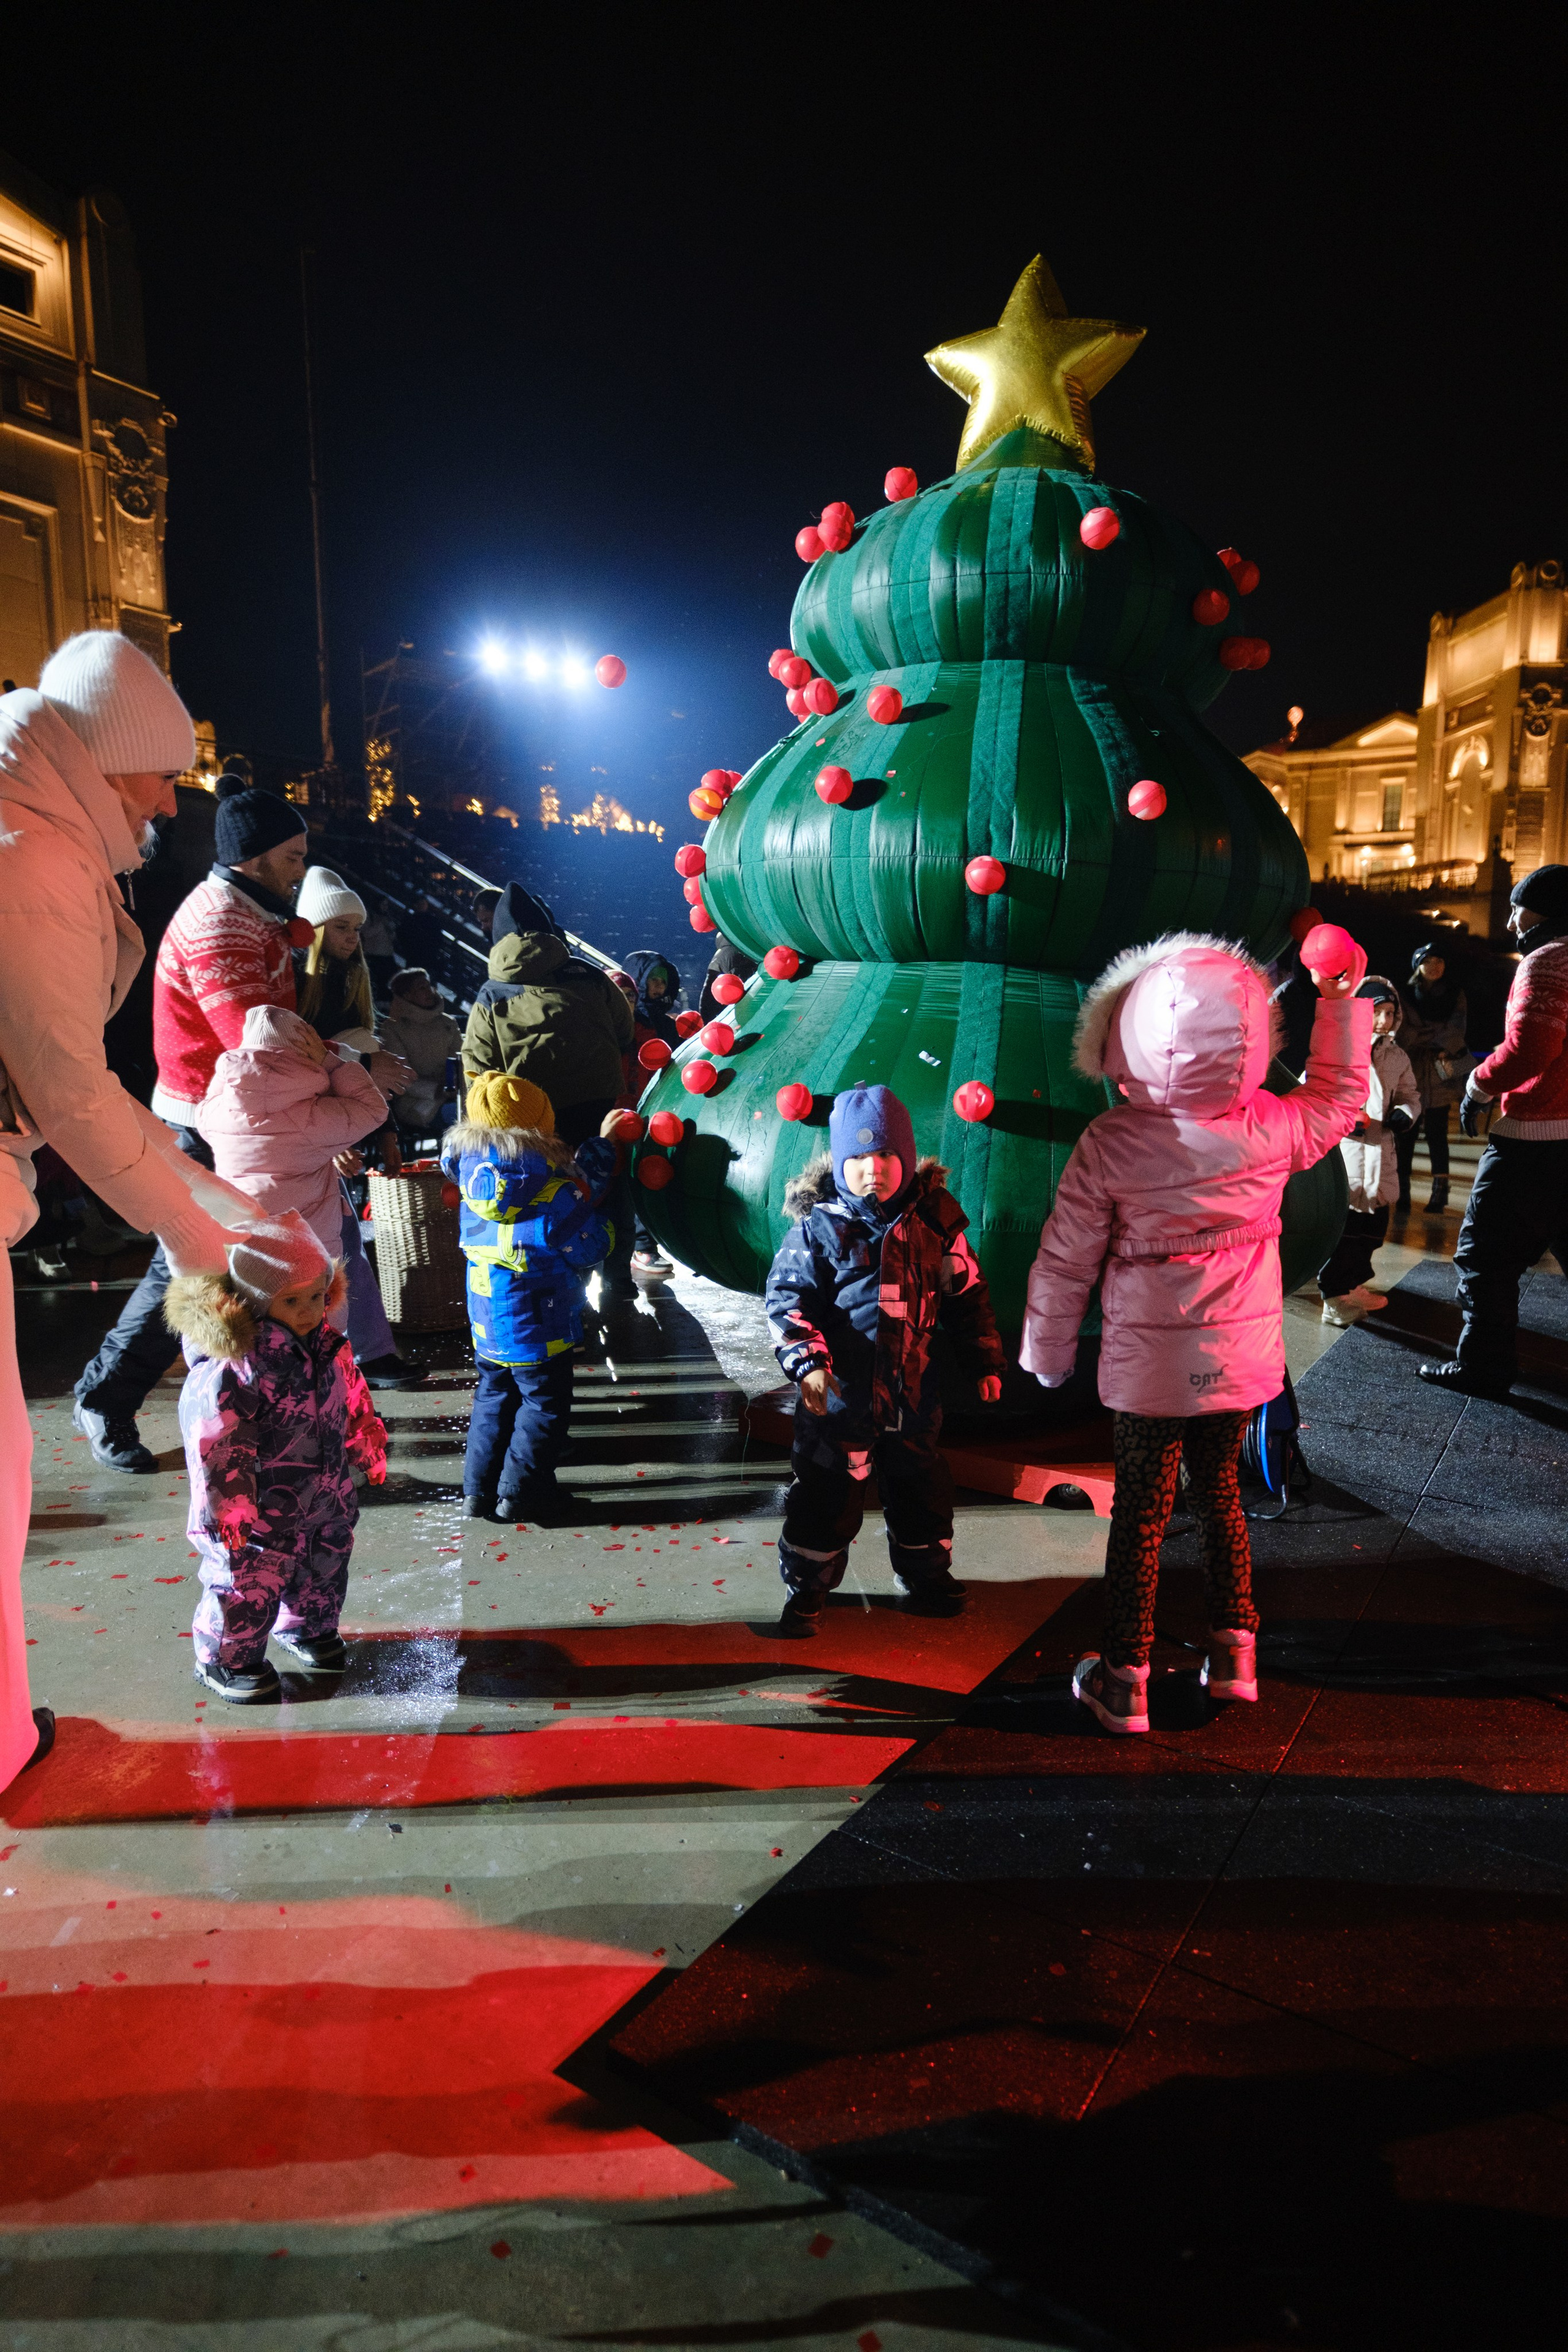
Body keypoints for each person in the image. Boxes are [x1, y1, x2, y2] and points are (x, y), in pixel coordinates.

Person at [0, 633, 260, 1787]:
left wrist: (211, 1203)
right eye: (159, 776)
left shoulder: (40, 840)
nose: (168, 801)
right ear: (108, 763)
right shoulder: (35, 861)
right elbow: (71, 1089)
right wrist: (208, 1239)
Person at [1020, 930, 1371, 1734]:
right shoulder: (1272, 1126)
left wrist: (1047, 1349)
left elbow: (1066, 1255)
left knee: (1142, 1514)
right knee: (1222, 1500)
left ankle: (1125, 1678)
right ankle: (1236, 1659)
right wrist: (1339, 1001)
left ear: (1131, 1032)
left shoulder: (1111, 1143)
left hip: (1149, 1369)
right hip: (1241, 1360)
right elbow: (1341, 1093)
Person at [72, 770, 309, 1469]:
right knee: (191, 1268)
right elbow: (254, 1034)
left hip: (231, 1113)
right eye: (294, 857)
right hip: (205, 1122)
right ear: (255, 858)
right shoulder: (221, 920)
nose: (303, 871)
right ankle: (106, 1396)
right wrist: (339, 1069)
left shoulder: (250, 909)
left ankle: (255, 1401)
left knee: (220, 1265)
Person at [764, 1084, 1005, 1638]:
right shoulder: (818, 1229)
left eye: (886, 1156)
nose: (873, 1169)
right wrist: (809, 1364)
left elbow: (969, 1294)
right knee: (827, 1492)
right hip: (841, 1400)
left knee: (921, 1487)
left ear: (906, 1159)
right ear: (840, 1164)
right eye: (859, 1159)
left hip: (913, 1394)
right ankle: (808, 1585)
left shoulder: (937, 1223)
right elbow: (787, 1300)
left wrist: (985, 1360)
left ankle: (925, 1574)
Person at [164, 1210, 386, 1702]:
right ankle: (226, 1658)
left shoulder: (329, 1346)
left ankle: (307, 1626)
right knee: (247, 1582)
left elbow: (352, 1398)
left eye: (316, 1296)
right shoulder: (236, 1370)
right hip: (258, 1511)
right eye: (292, 1301)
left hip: (325, 1494)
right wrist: (232, 1508)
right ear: (256, 1301)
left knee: (324, 1564)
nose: (309, 1310)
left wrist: (366, 1441)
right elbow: (218, 1445)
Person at [441, 1074, 622, 1523]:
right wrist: (609, 1228)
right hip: (542, 1326)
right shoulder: (553, 1192)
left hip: (487, 1322)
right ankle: (523, 1493)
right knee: (544, 1406)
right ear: (541, 1127)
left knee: (493, 1397)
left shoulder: (471, 1183)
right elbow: (589, 1247)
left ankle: (478, 1492)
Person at [1419, 867, 1568, 1398]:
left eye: (1517, 908)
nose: (1509, 920)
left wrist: (1479, 1086)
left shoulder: (1549, 961)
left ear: (1543, 910)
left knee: (1485, 1255)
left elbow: (1531, 1046)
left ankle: (1483, 1367)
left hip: (1534, 1137)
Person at [293, 867, 425, 1389]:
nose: (353, 938)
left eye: (356, 928)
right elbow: (299, 1071)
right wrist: (331, 1144)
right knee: (328, 1251)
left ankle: (369, 1352)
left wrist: (381, 1132)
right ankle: (352, 1355)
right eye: (341, 928)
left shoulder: (353, 983)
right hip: (303, 1138)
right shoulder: (297, 988)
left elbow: (361, 1071)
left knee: (347, 1246)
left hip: (334, 1133)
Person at [195, 1005, 388, 1278]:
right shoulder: (313, 1117)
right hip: (309, 1245)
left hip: (244, 1238)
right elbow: (374, 1110)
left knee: (257, 1307)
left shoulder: (216, 1115)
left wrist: (234, 1069)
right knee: (317, 1311)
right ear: (303, 1053)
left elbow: (208, 1100)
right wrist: (329, 1061)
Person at [462, 883, 633, 1147]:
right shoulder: (588, 973)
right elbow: (625, 1029)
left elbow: (479, 1064)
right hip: (599, 1097)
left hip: (532, 1108)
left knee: (552, 1181)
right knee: (604, 1167)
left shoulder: (492, 993)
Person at [1318, 977, 1419, 1325]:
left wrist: (1405, 1113)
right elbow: (1312, 1090)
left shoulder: (1397, 1056)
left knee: (1372, 1232)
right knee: (1345, 1235)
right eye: (1377, 1012)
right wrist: (1343, 1117)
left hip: (1381, 1153)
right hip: (1348, 1156)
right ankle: (1334, 1295)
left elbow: (1410, 1094)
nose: (1384, 1021)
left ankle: (1354, 1284)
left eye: (1390, 1013)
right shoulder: (1338, 1049)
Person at [619, 949, 683, 1278]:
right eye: (652, 980)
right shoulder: (627, 1021)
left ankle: (644, 1244)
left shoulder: (663, 1021)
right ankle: (641, 1247)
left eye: (663, 981)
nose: (658, 987)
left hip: (656, 1108)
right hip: (628, 1109)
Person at [1395, 941, 1471, 1217]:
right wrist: (1431, 1035)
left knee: (1438, 1135)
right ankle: (1402, 1192)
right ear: (1418, 965)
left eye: (1440, 961)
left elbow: (1457, 1030)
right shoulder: (1405, 995)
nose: (1436, 966)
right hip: (1411, 1071)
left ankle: (1440, 1194)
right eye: (1429, 961)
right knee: (1407, 1133)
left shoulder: (1455, 994)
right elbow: (1402, 1031)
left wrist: (1427, 1036)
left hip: (1442, 1072)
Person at [377, 968, 463, 1140]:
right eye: (422, 988)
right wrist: (436, 1090)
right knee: (462, 1116)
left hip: (454, 1095)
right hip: (418, 1102)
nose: (429, 992)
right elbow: (399, 1073)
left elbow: (457, 1059)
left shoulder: (447, 1023)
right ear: (407, 995)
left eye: (429, 986)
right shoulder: (393, 1028)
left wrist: (453, 1082)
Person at [699, 934, 758, 1026]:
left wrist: (707, 1021)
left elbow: (707, 994)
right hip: (737, 1004)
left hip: (719, 1006)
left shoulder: (718, 955)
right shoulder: (742, 951)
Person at [359, 895, 398, 1000]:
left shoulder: (387, 917)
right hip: (375, 955)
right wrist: (381, 925)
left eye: (387, 905)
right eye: (383, 904)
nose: (385, 907)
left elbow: (392, 936)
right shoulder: (369, 916)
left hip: (387, 955)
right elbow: (366, 934)